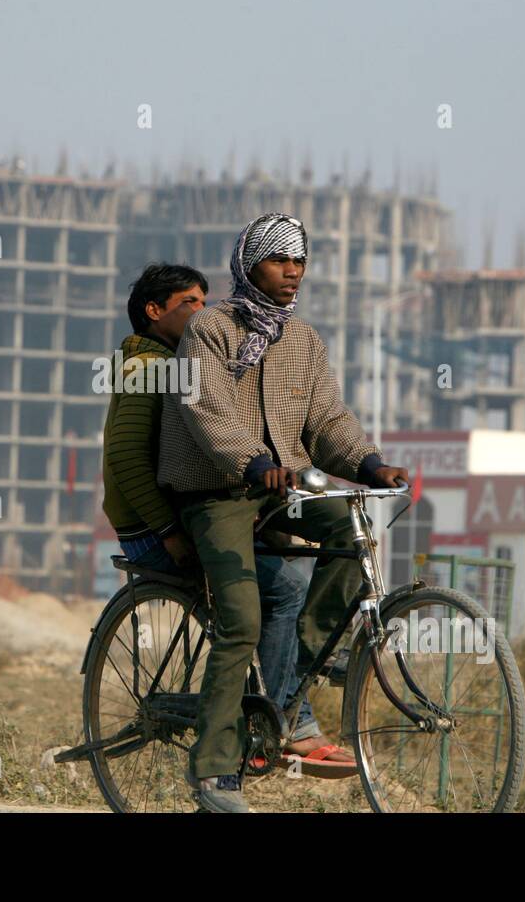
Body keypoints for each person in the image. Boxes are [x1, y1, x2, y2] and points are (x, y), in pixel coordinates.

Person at [159, 212, 408, 812]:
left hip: (282, 491)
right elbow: (205, 410)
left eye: (299, 262)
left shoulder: (302, 341)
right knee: (241, 618)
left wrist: (371, 462)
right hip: (216, 493)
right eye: (279, 260)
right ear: (250, 266)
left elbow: (326, 420)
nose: (292, 272)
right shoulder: (209, 331)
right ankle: (216, 773)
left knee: (352, 530)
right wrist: (250, 462)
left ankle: (290, 691)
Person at [99, 262, 331, 759]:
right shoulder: (150, 367)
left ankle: (281, 707)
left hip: (183, 517)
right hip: (154, 528)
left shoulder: (190, 362)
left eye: (206, 302)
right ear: (153, 311)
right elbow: (126, 457)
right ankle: (281, 715)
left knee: (293, 565)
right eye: (189, 304)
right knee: (284, 587)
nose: (202, 313)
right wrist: (167, 530)